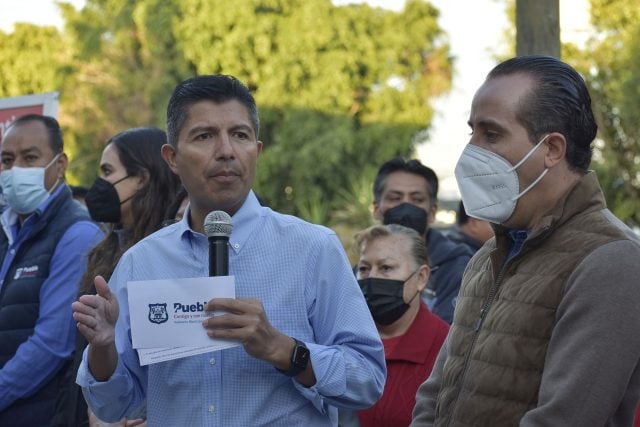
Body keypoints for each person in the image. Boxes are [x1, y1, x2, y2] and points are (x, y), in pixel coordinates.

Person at [73, 74, 386, 425]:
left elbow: (368, 380)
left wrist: (284, 350)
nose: (226, 151)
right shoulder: (142, 263)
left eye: (239, 135)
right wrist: (102, 349)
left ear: (257, 150)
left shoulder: (313, 249)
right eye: (205, 136)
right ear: (172, 158)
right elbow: (113, 406)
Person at [411, 55, 640, 426]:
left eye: (492, 134)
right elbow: (435, 394)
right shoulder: (487, 256)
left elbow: (565, 418)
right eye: (472, 132)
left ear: (551, 149)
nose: (472, 151)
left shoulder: (611, 261)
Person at [55, 127, 182, 426]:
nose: (100, 184)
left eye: (108, 171)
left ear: (141, 178)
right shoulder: (105, 250)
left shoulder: (168, 256)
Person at [0, 114, 103, 424]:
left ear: (60, 165)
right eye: (7, 160)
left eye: (30, 158)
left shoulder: (77, 232)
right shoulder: (8, 229)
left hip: (39, 414)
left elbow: (52, 344)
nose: (17, 169)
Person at [352, 224, 448, 426]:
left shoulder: (447, 349)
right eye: (364, 269)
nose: (372, 278)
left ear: (421, 278)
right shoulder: (342, 339)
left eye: (386, 268)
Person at [372, 157, 473, 324]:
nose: (405, 207)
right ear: (376, 209)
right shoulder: (362, 270)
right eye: (394, 198)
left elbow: (449, 336)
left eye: (417, 200)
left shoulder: (458, 268)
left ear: (432, 212)